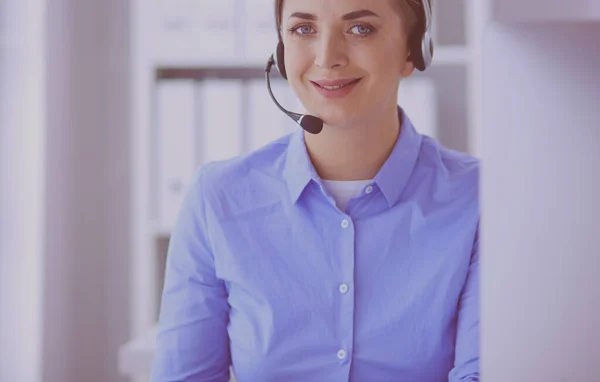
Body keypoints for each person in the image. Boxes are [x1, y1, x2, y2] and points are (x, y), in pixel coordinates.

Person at [150, 0, 480, 381]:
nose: (327, 57)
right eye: (303, 29)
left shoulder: (480, 198)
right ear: (281, 51)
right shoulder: (217, 199)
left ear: (414, 51)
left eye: (360, 29)